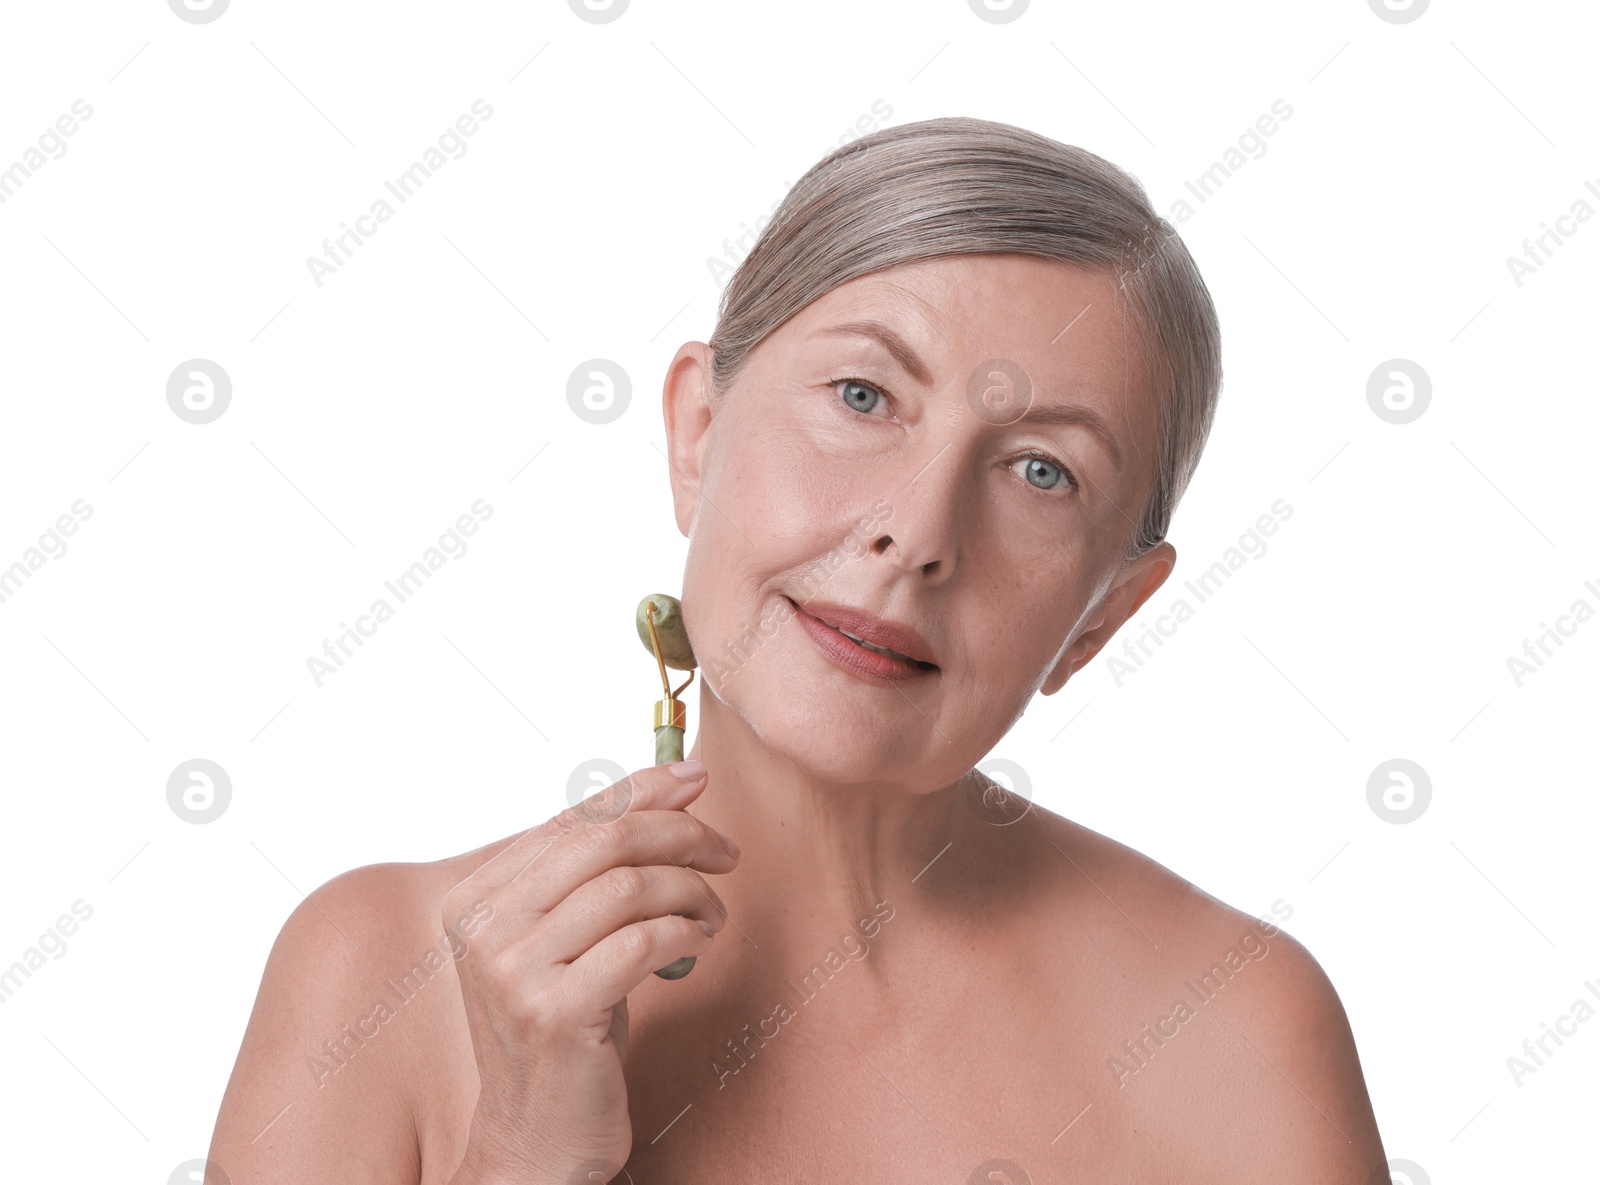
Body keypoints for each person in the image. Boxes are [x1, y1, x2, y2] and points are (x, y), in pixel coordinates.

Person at [207, 116, 1387, 1183]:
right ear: (695, 433)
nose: (916, 535)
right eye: (865, 398)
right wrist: (521, 1156)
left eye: (1041, 470)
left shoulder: (1238, 1031)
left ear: (1102, 615)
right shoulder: (373, 978)